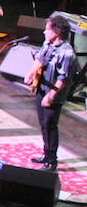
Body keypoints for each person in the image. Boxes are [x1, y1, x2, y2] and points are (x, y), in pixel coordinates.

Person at [25, 16, 77, 172]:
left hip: (54, 94)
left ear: (57, 31)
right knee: (43, 124)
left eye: (47, 29)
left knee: (50, 125)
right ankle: (46, 155)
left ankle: (52, 160)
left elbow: (64, 78)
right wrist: (31, 73)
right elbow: (39, 59)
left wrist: (51, 96)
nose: (44, 32)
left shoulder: (67, 53)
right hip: (42, 88)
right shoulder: (48, 44)